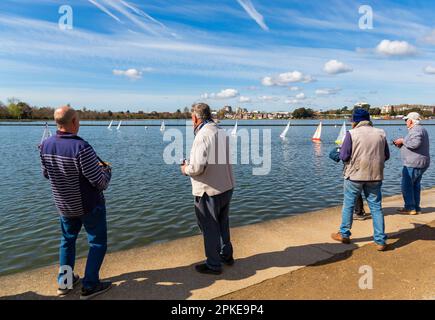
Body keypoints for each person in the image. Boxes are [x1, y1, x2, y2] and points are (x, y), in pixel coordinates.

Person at [39, 106, 112, 299]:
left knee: (67, 241)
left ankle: (64, 283)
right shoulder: (82, 147)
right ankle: (90, 285)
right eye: (78, 120)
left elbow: (47, 174)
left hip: (63, 205)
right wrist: (107, 170)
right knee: (97, 243)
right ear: (73, 122)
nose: (78, 123)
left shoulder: (45, 145)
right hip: (88, 205)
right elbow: (100, 182)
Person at [181, 103, 236, 275]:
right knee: (223, 223)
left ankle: (213, 264)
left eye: (191, 119)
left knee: (209, 227)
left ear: (195, 118)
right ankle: (226, 255)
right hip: (226, 185)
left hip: (209, 190)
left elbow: (197, 168)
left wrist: (185, 168)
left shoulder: (202, 135)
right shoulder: (221, 131)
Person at [331, 108, 390, 251]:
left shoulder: (351, 133)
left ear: (354, 121)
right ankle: (380, 241)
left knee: (349, 205)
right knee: (376, 207)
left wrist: (336, 153)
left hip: (355, 176)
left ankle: (344, 234)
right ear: (369, 119)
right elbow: (386, 155)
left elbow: (344, 156)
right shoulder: (381, 133)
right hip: (375, 175)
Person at [393, 112, 430, 215]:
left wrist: (402, 140)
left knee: (407, 186)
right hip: (418, 162)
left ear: (410, 121)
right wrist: (402, 145)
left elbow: (415, 144)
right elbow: (414, 145)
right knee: (415, 186)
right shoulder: (419, 129)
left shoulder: (416, 130)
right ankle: (415, 207)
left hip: (414, 163)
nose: (405, 122)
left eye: (406, 120)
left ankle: (410, 208)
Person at [329, 146, 371, 220]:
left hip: (354, 171)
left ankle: (357, 214)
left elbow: (334, 155)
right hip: (371, 170)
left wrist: (341, 149)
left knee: (352, 192)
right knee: (372, 199)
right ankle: (360, 211)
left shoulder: (351, 138)